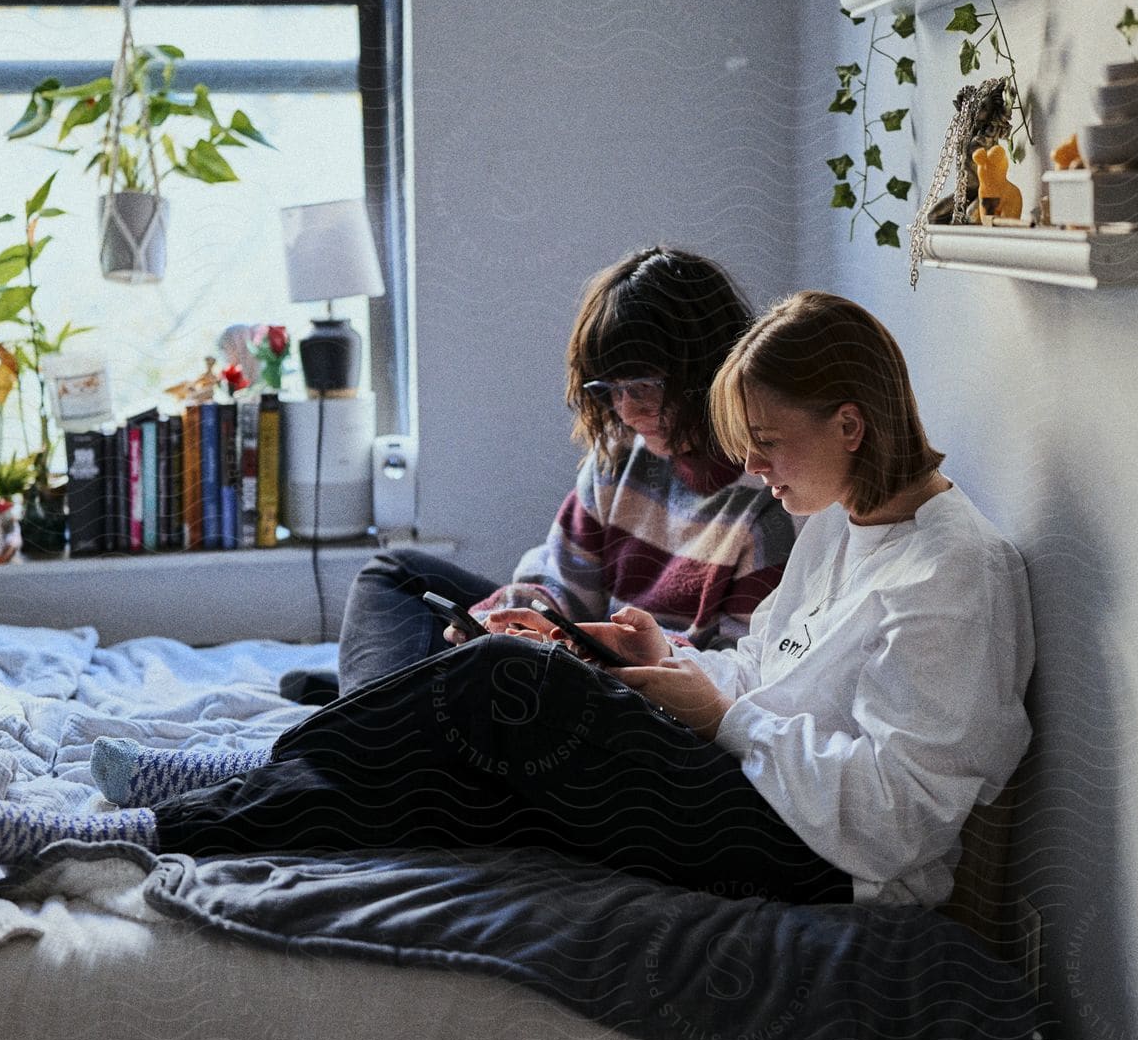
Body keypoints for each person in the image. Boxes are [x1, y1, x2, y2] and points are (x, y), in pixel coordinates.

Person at [0, 291, 1034, 909]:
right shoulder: (848, 523)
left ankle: (157, 812)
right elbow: (780, 675)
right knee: (485, 736)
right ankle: (149, 823)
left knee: (504, 690)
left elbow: (901, 823)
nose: (758, 475)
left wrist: (724, 716)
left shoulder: (954, 576)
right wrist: (669, 660)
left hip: (817, 859)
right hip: (758, 781)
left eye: (774, 446)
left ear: (850, 423)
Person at [279, 245, 796, 706]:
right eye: (609, 391)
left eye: (642, 386)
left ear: (707, 369)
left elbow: (735, 676)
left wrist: (593, 650)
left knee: (435, 677)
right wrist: (512, 615)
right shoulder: (620, 458)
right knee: (397, 573)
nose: (627, 411)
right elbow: (561, 584)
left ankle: (370, 706)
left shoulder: (767, 502)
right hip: (573, 655)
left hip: (633, 695)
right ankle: (380, 698)